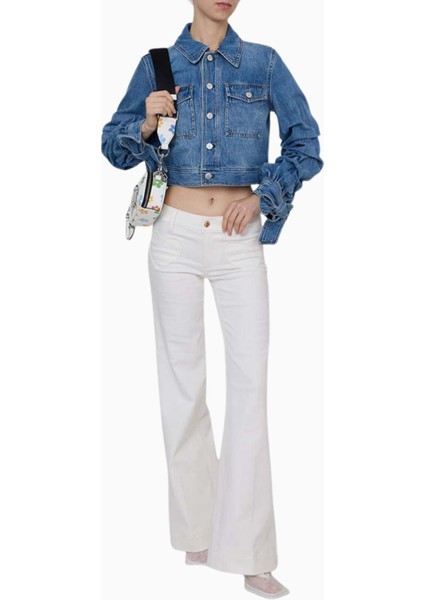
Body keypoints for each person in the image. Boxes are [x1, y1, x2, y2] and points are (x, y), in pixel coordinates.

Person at [102, 1, 323, 597]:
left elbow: (306, 142)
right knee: (183, 387)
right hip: (172, 236)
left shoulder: (264, 63)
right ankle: (198, 530)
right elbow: (112, 146)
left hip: (237, 241)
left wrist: (265, 197)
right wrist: (143, 126)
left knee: (250, 389)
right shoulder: (158, 65)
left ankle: (250, 553)